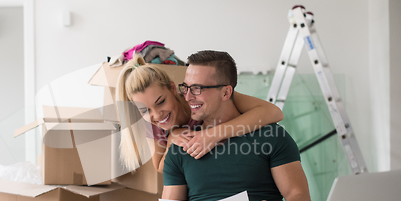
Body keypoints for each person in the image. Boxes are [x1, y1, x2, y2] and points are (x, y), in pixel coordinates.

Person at [162, 50, 311, 201]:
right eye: (186, 87)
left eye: (197, 88)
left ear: (226, 93)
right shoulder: (182, 146)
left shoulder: (271, 137)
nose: (187, 97)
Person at [116, 54, 284, 174]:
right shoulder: (152, 123)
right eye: (145, 110)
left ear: (174, 89)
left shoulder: (198, 97)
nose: (157, 115)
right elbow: (160, 167)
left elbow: (274, 112)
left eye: (160, 102)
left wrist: (211, 135)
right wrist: (172, 140)